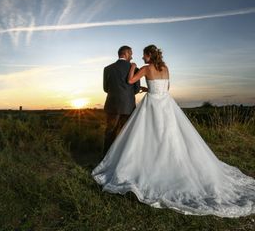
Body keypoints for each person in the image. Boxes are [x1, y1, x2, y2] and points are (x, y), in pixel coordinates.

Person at [92, 44, 255, 217]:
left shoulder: (145, 68)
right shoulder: (166, 68)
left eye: (143, 55)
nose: (141, 58)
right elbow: (166, 88)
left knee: (146, 134)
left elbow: (130, 81)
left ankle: (146, 161)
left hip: (152, 104)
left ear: (149, 55)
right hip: (166, 104)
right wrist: (153, 88)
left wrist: (133, 68)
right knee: (168, 135)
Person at [102, 45, 147, 159]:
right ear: (125, 53)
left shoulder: (107, 68)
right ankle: (123, 159)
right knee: (126, 133)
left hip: (112, 105)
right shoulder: (135, 69)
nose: (131, 57)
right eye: (130, 54)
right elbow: (136, 90)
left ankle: (105, 158)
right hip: (128, 107)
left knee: (110, 133)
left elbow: (106, 88)